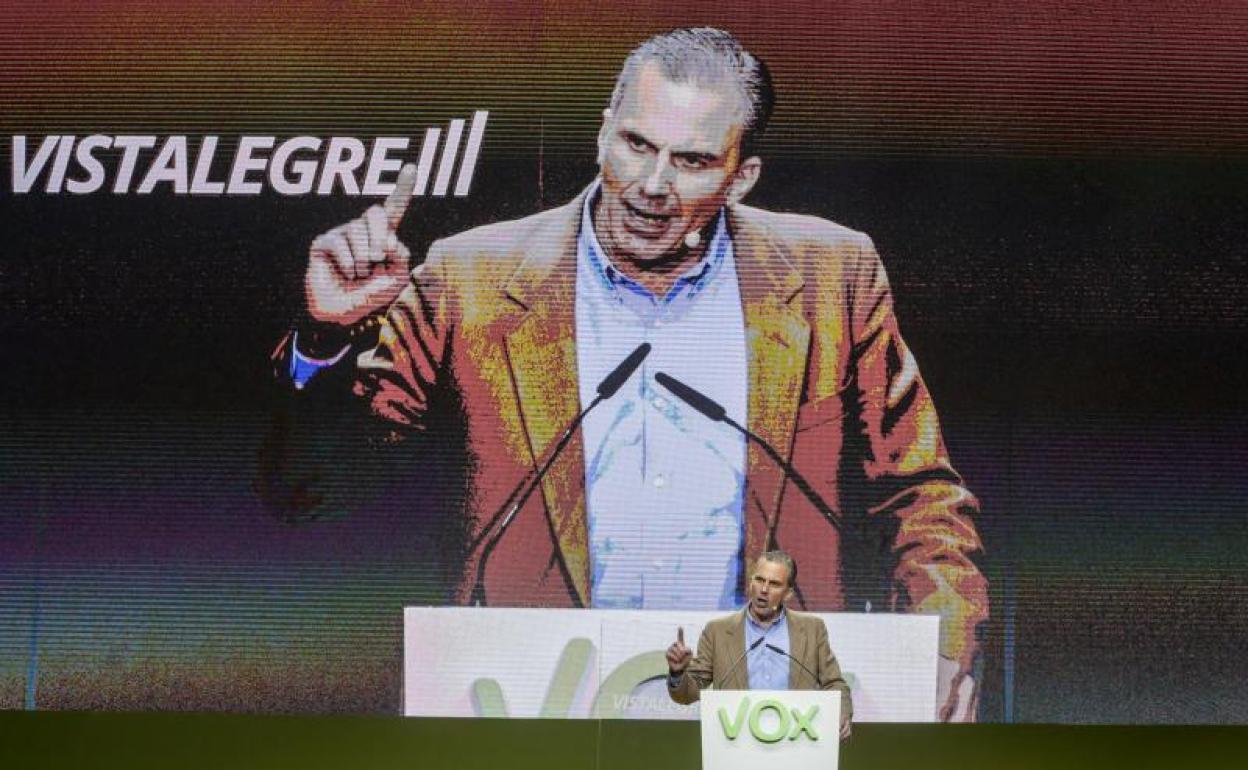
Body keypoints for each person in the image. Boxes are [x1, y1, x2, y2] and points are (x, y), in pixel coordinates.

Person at [263, 27, 988, 720]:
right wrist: (326, 335)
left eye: (692, 161)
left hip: (762, 711)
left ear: (741, 178)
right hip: (530, 704)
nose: (650, 184)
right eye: (636, 144)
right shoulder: (467, 278)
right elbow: (310, 493)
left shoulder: (833, 275)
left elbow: (919, 493)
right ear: (602, 132)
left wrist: (947, 641)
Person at [666, 551, 852, 738]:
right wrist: (677, 673)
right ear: (751, 582)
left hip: (797, 738)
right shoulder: (717, 632)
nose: (764, 589)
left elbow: (834, 683)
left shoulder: (812, 629)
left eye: (774, 584)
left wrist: (842, 712)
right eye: (759, 579)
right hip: (736, 740)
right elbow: (687, 694)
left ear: (788, 593)